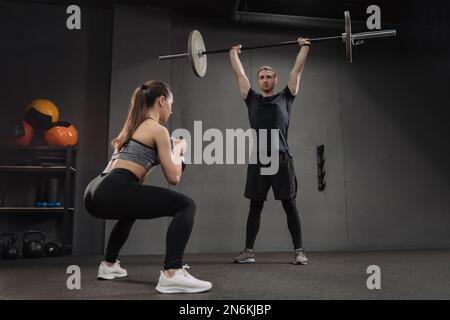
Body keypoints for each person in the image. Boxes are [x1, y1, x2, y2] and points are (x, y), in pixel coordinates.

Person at [83, 80, 212, 293]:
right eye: (171, 104)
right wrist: (179, 149)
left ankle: (108, 265)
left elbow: (138, 175)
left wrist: (166, 153)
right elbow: (174, 177)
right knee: (186, 205)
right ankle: (172, 272)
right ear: (161, 101)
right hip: (114, 187)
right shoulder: (157, 129)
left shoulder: (132, 128)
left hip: (95, 190)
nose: (171, 110)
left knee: (131, 209)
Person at [229, 37, 311, 265]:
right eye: (261, 77)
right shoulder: (251, 99)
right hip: (259, 160)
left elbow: (297, 69)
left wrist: (304, 47)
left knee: (290, 205)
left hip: (282, 159)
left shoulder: (286, 97)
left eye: (268, 77)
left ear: (275, 79)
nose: (265, 80)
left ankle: (299, 251)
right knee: (254, 206)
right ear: (259, 81)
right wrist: (233, 53)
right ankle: (248, 251)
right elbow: (239, 75)